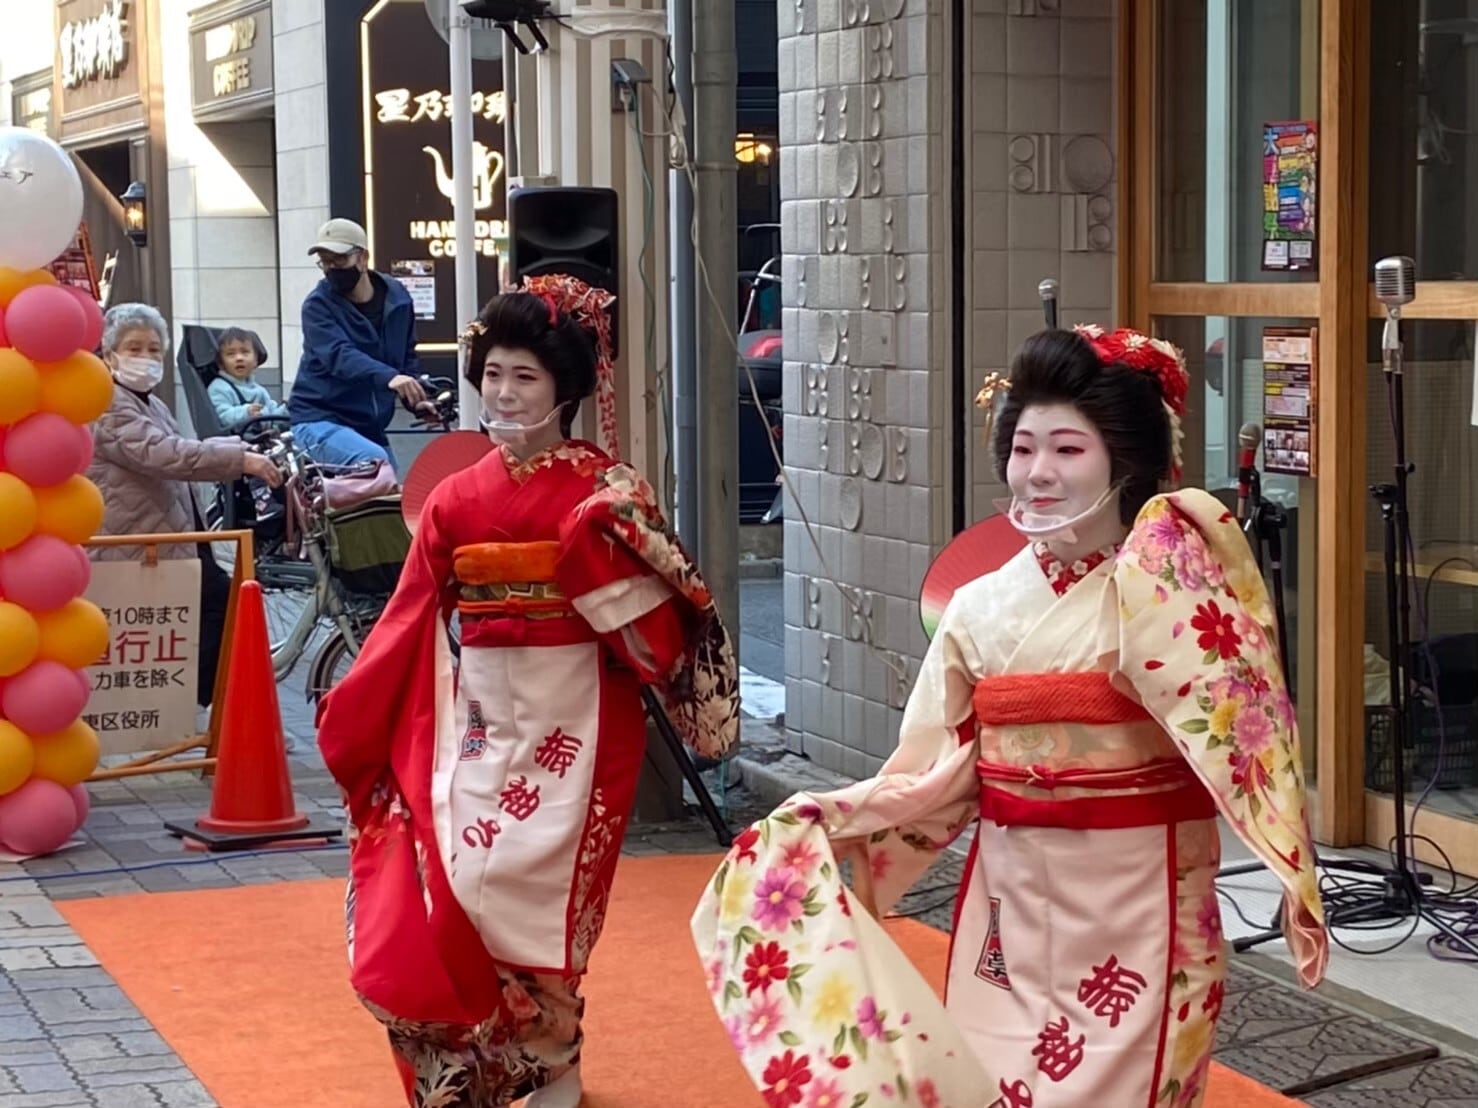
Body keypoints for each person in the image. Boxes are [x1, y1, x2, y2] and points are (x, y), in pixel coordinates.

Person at [691, 325, 1328, 1108]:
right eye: (1025, 449)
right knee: (1000, 1074)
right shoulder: (980, 605)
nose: (1039, 473)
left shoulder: (1179, 588)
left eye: (1068, 450)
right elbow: (936, 762)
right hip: (1012, 892)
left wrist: (1291, 865)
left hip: (1149, 884)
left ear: (1124, 460)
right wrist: (842, 818)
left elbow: (1246, 732)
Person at [316, 275, 740, 1108]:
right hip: (475, 718)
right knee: (460, 887)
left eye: (526, 378)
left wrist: (599, 556)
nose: (504, 394)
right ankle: (479, 1066)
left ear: (567, 390)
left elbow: (662, 628)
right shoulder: (455, 499)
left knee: (544, 904)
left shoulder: (609, 494)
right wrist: (361, 715)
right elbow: (408, 619)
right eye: (494, 374)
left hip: (578, 720)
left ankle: (553, 1062)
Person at [87, 304, 282, 707]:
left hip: (169, 536)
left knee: (220, 608)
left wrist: (238, 447)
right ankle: (204, 705)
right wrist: (238, 459)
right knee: (222, 607)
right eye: (134, 347)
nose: (146, 358)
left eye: (154, 349)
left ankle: (205, 709)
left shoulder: (150, 402)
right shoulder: (105, 401)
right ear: (108, 354)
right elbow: (163, 454)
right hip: (134, 542)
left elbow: (179, 449)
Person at [286, 218, 426, 472]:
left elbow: (406, 358)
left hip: (369, 427)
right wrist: (390, 377)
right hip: (317, 419)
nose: (331, 268)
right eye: (325, 262)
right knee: (376, 465)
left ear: (363, 258)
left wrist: (417, 400)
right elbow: (340, 355)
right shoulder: (317, 306)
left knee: (395, 501)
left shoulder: (398, 298)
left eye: (339, 259)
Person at [207, 326, 287, 431]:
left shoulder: (259, 390)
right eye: (231, 354)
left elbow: (273, 413)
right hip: (236, 442)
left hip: (264, 439)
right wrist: (245, 412)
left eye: (245, 352)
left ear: (256, 361)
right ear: (221, 363)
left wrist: (289, 408)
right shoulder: (218, 388)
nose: (239, 358)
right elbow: (221, 417)